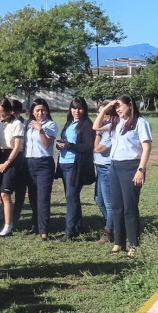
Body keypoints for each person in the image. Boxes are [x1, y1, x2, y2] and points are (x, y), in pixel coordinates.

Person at [93, 95, 152, 257]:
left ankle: (134, 244)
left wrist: (141, 170)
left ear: (130, 106)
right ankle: (119, 242)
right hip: (115, 166)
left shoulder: (140, 123)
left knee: (129, 207)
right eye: (116, 107)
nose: (118, 109)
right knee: (117, 207)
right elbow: (95, 127)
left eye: (120, 106)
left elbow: (146, 148)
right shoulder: (117, 123)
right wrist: (106, 108)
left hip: (131, 167)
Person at [55, 96, 96, 240]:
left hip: (76, 165)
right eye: (74, 108)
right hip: (64, 164)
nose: (76, 111)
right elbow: (66, 141)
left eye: (79, 108)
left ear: (84, 109)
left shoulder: (86, 124)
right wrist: (60, 145)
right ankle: (78, 227)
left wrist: (69, 146)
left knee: (70, 197)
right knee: (73, 197)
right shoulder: (69, 123)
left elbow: (89, 146)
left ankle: (69, 231)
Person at [0, 98, 25, 237]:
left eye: (3, 111)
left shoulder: (17, 124)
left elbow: (17, 147)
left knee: (5, 193)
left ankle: (8, 226)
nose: (1, 114)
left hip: (12, 158)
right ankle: (6, 219)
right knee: (1, 192)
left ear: (9, 110)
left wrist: (6, 163)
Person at [24, 98, 58, 242]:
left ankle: (44, 231)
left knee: (43, 197)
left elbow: (46, 145)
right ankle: (35, 224)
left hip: (44, 163)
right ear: (32, 111)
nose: (40, 113)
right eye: (37, 110)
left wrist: (41, 129)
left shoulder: (50, 125)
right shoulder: (27, 125)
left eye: (43, 110)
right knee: (33, 196)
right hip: (29, 162)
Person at [93, 101, 116, 244]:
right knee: (98, 199)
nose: (103, 116)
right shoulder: (104, 129)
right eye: (100, 113)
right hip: (100, 168)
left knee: (108, 203)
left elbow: (98, 149)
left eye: (106, 113)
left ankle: (109, 232)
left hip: (107, 168)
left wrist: (97, 134)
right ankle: (114, 226)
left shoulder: (110, 129)